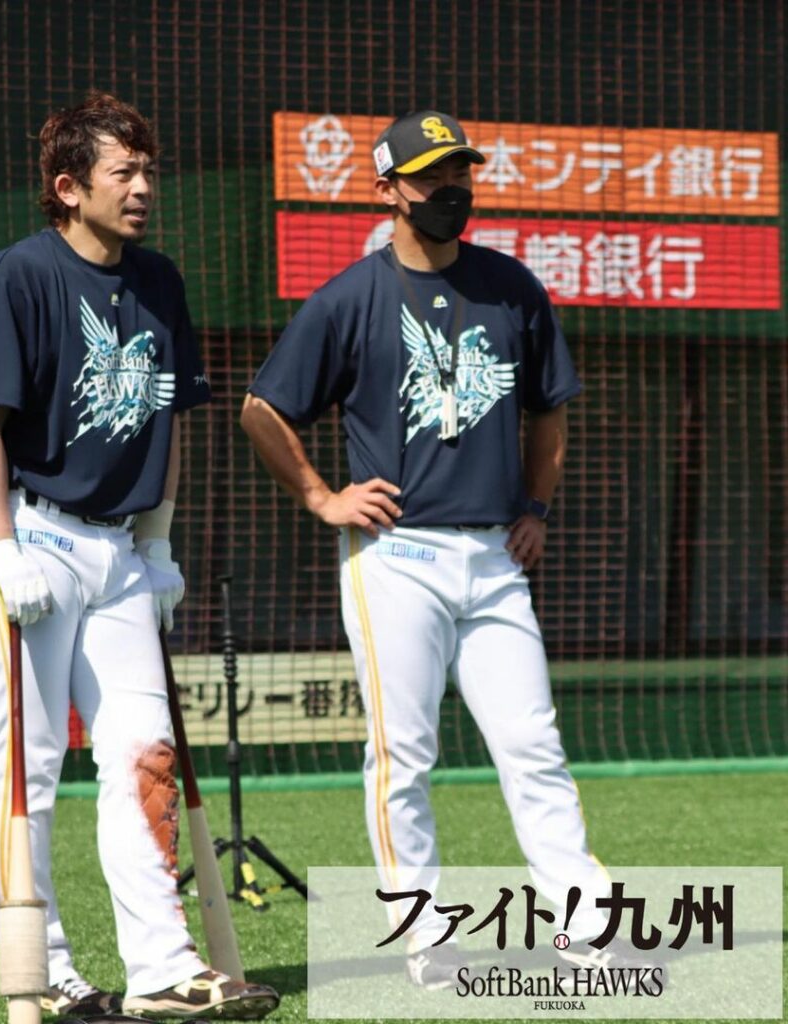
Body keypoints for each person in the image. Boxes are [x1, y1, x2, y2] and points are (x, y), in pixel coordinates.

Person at [241, 110, 617, 989]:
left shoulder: (511, 286)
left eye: (460, 172)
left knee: (533, 746)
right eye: (431, 175)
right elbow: (263, 409)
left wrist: (537, 507)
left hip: (495, 558)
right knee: (403, 756)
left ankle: (585, 923)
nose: (452, 188)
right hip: (396, 558)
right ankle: (423, 932)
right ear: (388, 190)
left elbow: (549, 410)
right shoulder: (349, 297)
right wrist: (322, 496)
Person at [0, 90, 279, 1021]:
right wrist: (1, 552)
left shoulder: (160, 281)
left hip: (120, 549)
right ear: (69, 187)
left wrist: (159, 542)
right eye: (122, 173)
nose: (143, 189)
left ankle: (162, 970)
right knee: (31, 761)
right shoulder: (16, 277)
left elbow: (167, 425)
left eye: (148, 172)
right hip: (26, 533)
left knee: (146, 754)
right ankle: (45, 969)